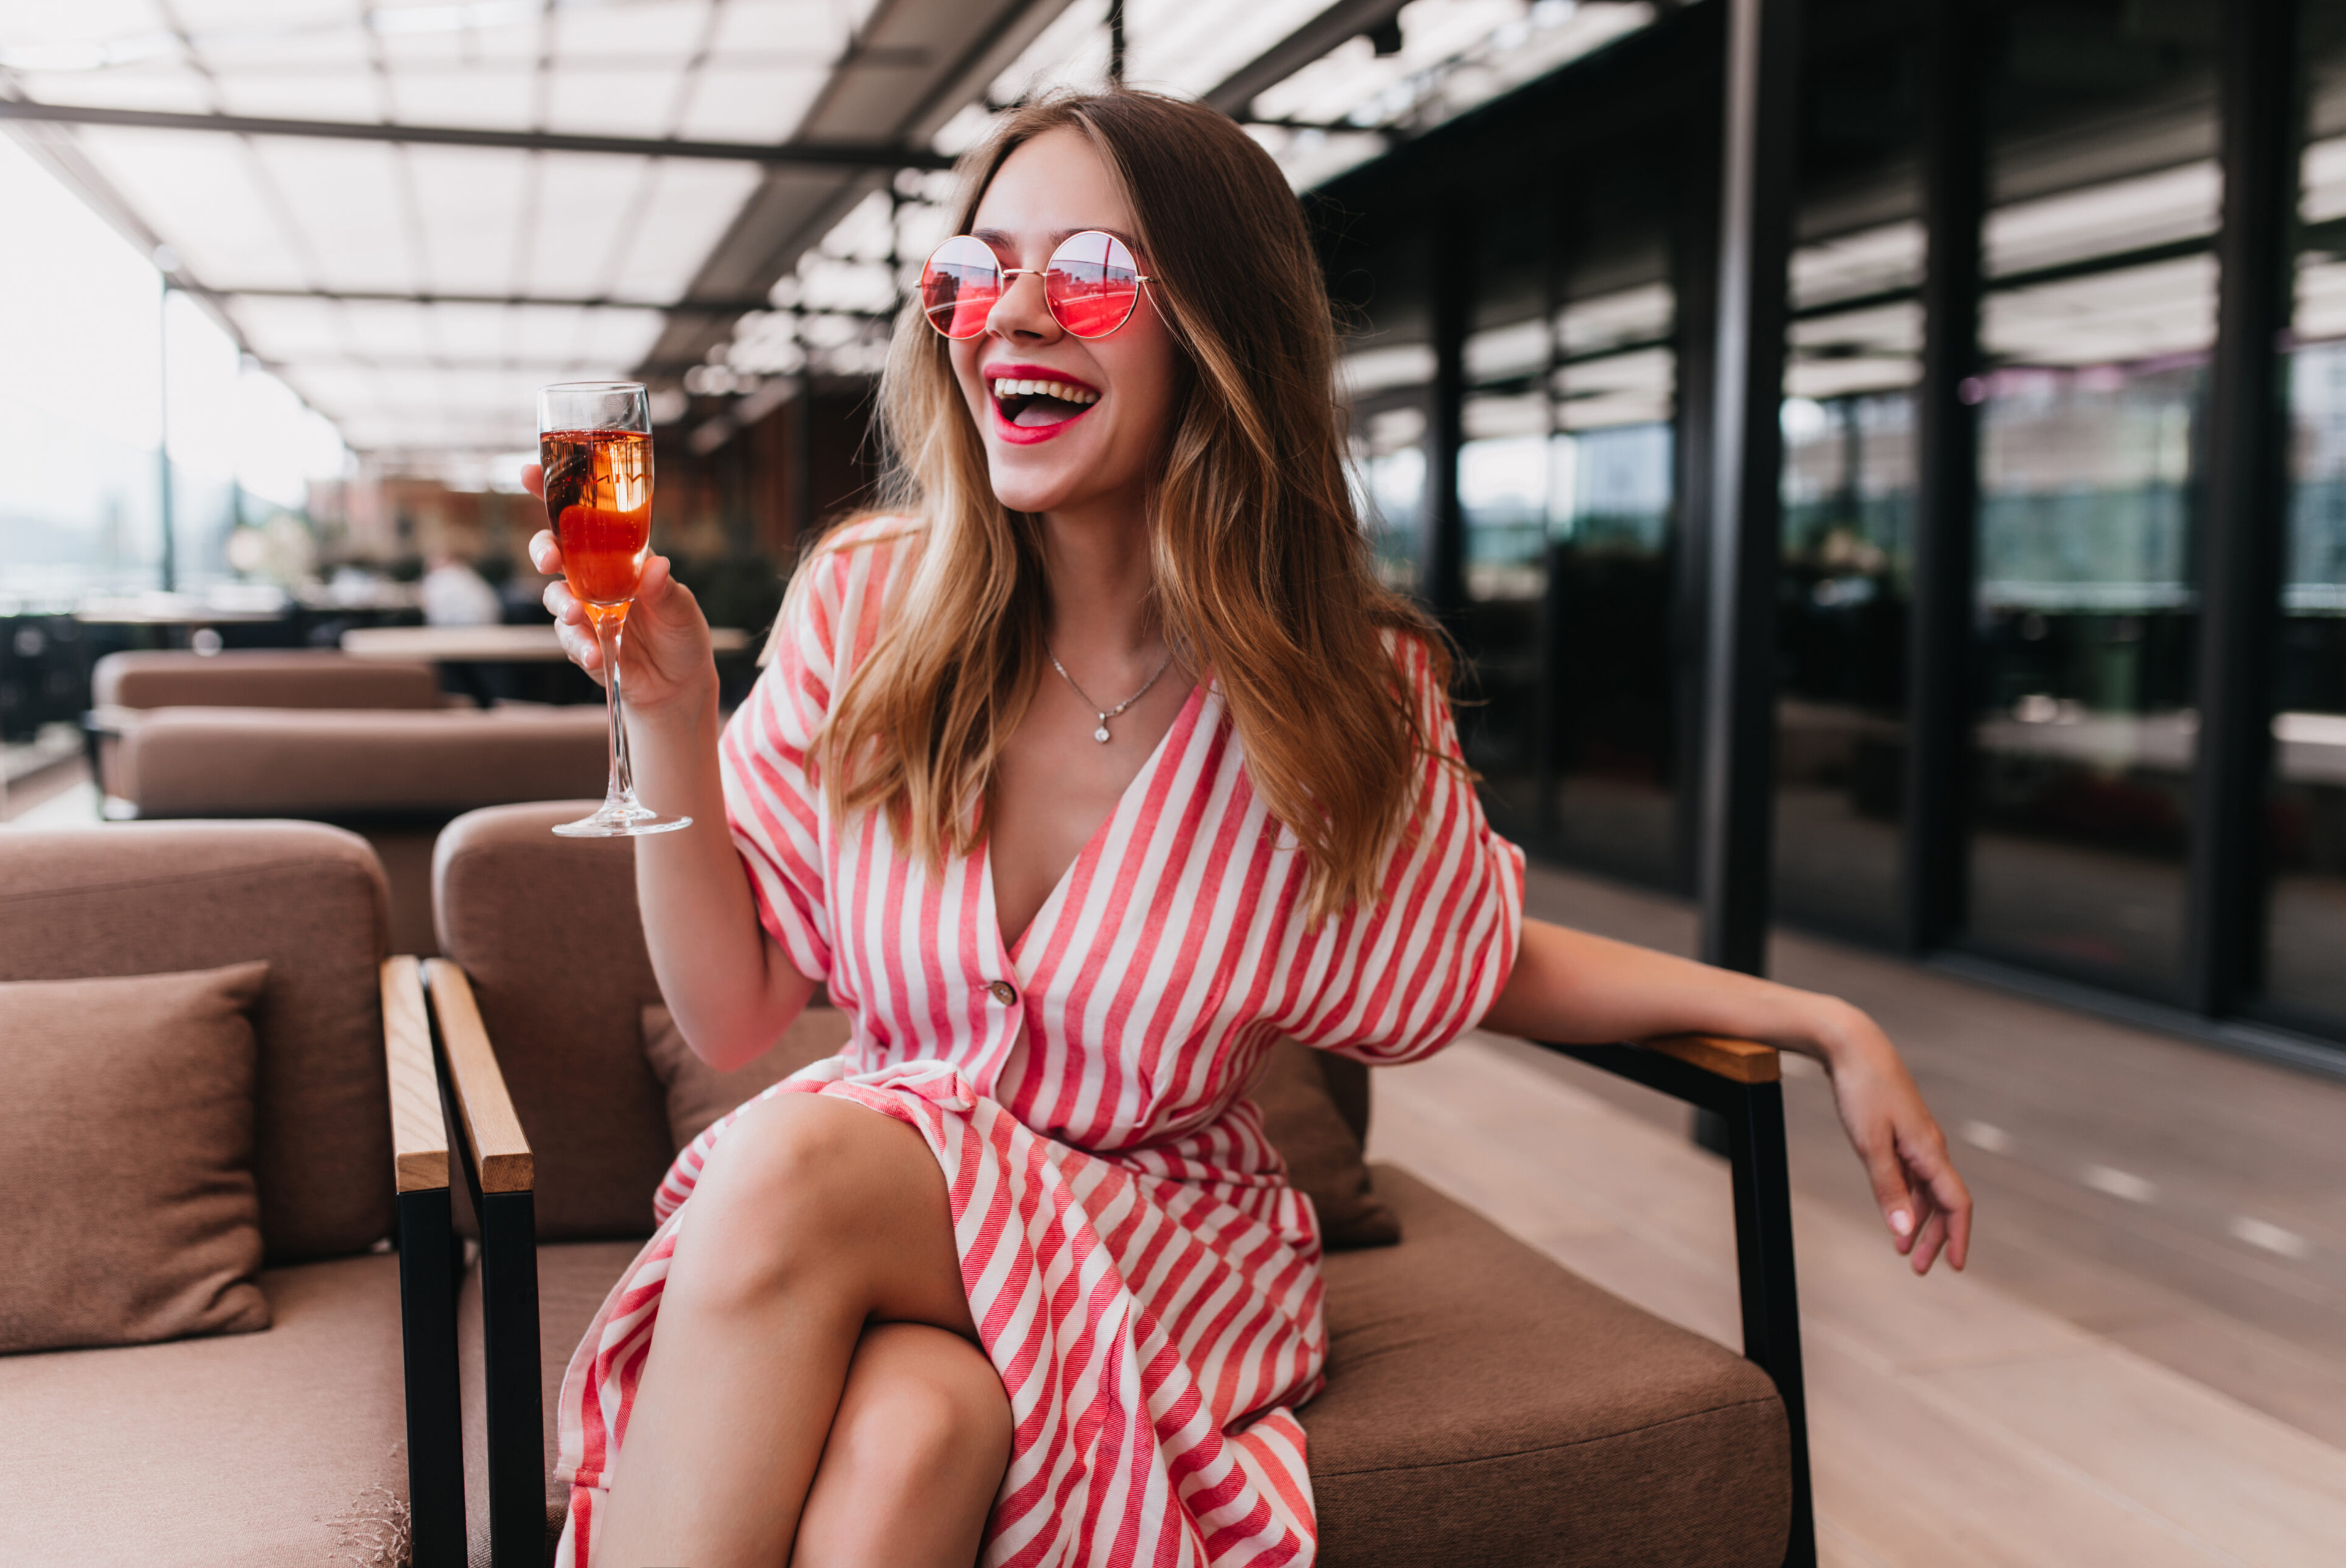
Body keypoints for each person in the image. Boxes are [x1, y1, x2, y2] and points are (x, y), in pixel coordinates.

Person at [525, 90, 1972, 1568]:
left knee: (790, 1163)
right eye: (974, 272)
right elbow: (732, 1007)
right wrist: (673, 715)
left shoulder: (1345, 686)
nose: (1011, 318)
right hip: (906, 1227)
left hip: (1166, 1236)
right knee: (917, 1429)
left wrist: (1821, 1018)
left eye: (1085, 272)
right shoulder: (863, 605)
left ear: (1217, 328)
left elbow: (1481, 953)